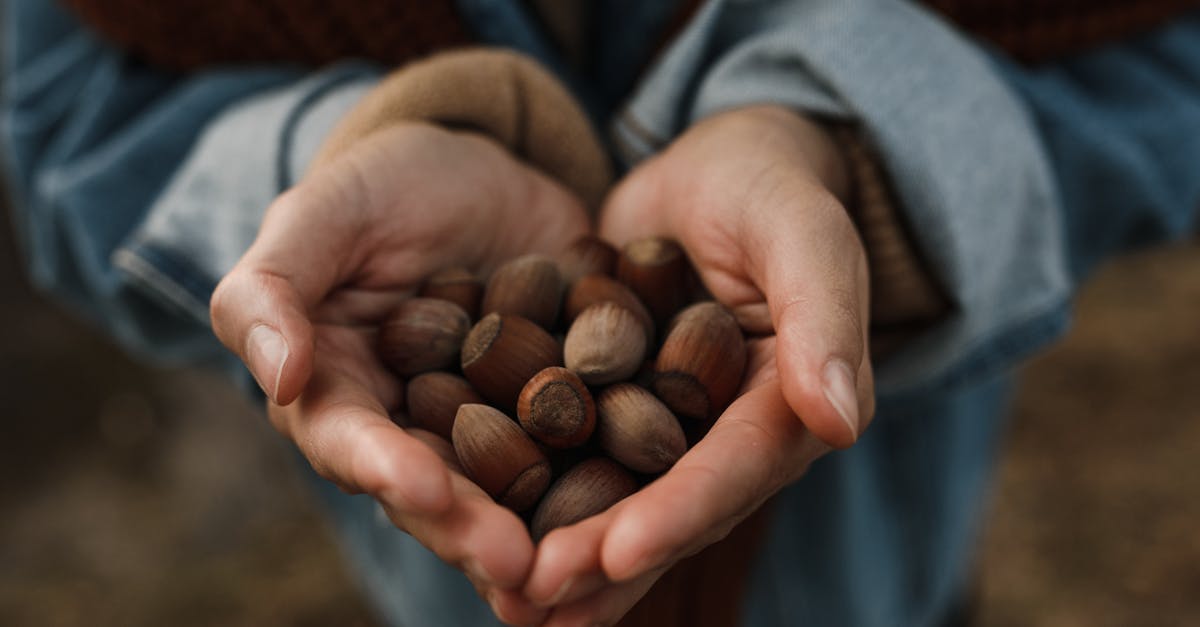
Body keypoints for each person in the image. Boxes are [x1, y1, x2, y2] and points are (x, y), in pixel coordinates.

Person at [4, 1, 1198, 625]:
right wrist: (318, 176)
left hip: (881, 571)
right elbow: (56, 113)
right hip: (453, 592)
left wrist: (870, 168)